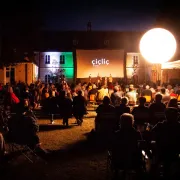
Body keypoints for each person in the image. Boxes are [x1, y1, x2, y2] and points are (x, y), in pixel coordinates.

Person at [152, 108, 180, 177]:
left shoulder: (160, 125)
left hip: (161, 151)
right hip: (175, 151)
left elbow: (152, 135)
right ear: (177, 116)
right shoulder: (178, 126)